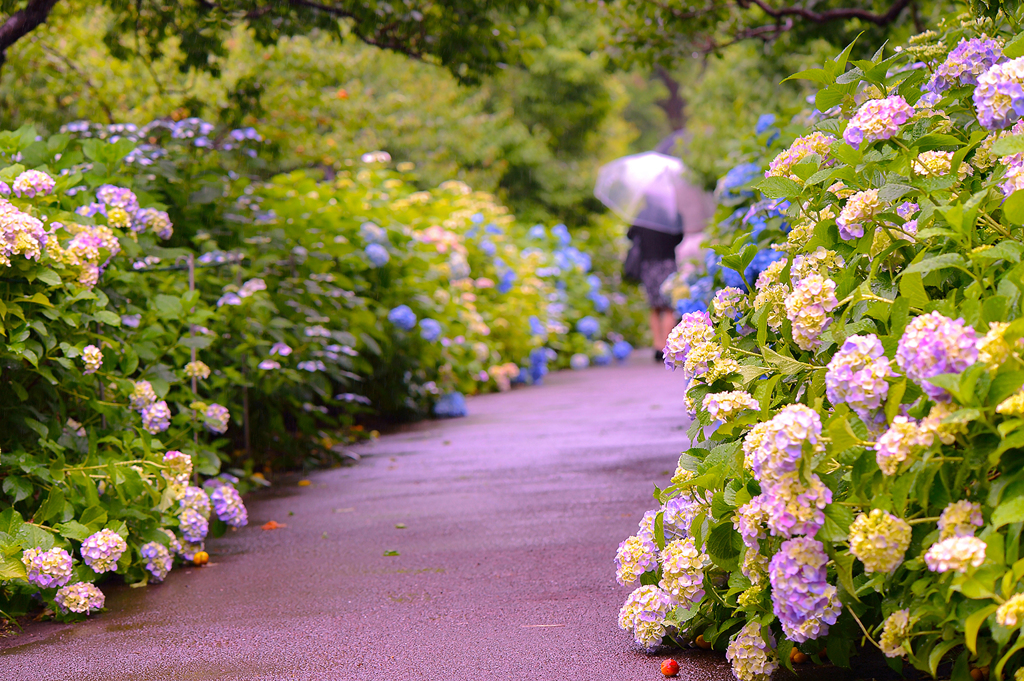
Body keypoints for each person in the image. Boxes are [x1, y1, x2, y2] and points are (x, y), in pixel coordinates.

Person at [627, 224, 682, 361]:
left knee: (655, 307)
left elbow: (630, 235)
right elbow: (679, 237)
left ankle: (657, 345)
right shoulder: (671, 217)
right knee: (669, 307)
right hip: (668, 263)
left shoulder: (643, 218)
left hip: (649, 265)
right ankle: (667, 346)